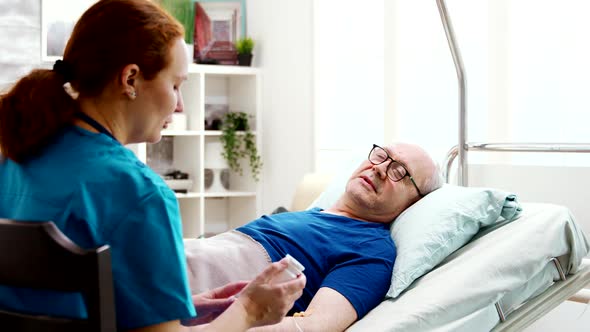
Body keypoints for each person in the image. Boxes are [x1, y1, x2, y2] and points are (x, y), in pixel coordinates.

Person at [0, 0, 305, 331]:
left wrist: (181, 308)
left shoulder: (16, 155)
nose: (179, 105)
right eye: (175, 85)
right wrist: (249, 310)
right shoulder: (138, 192)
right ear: (130, 79)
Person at [184, 143, 443, 331]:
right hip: (184, 263)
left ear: (413, 203)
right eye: (381, 155)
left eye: (398, 171)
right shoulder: (311, 215)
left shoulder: (372, 250)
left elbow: (313, 327)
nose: (379, 168)